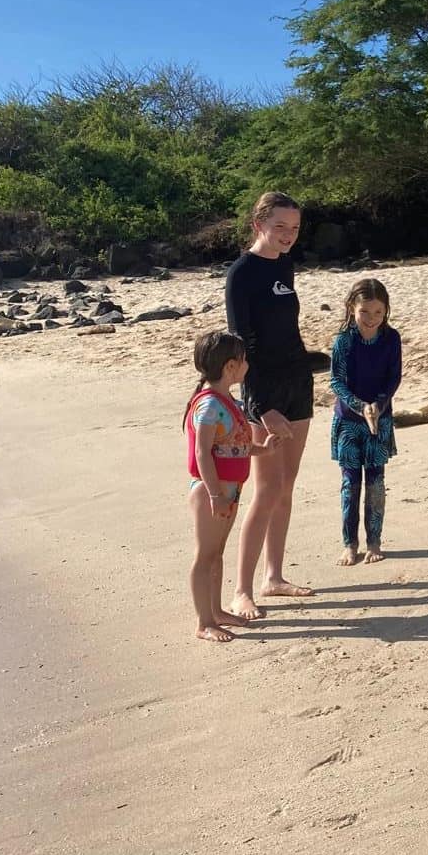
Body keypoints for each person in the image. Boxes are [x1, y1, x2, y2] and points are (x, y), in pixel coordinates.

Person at [225, 191, 315, 619]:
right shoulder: (241, 274)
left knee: (286, 485)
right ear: (258, 224)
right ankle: (241, 590)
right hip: (264, 393)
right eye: (280, 226)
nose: (288, 235)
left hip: (298, 383)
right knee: (265, 490)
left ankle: (273, 576)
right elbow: (241, 345)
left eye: (294, 228)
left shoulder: (285, 264)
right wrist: (260, 406)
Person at [183, 331, 280, 642]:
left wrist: (264, 449)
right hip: (210, 491)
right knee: (205, 555)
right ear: (230, 367)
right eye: (244, 360)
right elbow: (202, 452)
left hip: (229, 489)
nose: (247, 365)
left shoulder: (228, 402)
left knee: (217, 554)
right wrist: (215, 494)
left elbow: (236, 445)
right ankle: (204, 622)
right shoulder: (209, 406)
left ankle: (216, 611)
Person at [330, 278, 401, 566]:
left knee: (376, 483)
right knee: (350, 484)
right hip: (348, 422)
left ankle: (374, 541)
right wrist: (361, 406)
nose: (371, 319)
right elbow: (336, 381)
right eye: (364, 312)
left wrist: (378, 406)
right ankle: (350, 543)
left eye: (378, 312)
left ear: (386, 311)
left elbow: (393, 378)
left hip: (379, 420)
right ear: (352, 308)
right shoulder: (344, 340)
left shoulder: (391, 338)